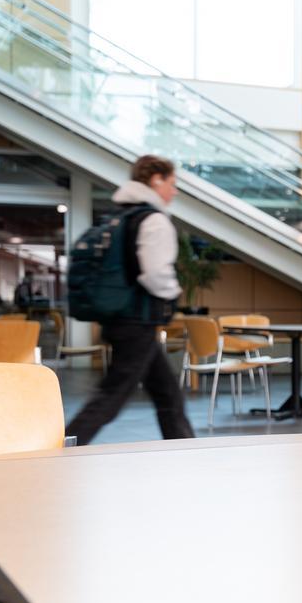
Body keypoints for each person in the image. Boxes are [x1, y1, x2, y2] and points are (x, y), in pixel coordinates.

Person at [66, 155, 195, 445]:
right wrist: (173, 295)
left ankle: (186, 452)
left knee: (167, 394)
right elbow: (155, 272)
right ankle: (59, 450)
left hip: (122, 319)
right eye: (172, 184)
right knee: (111, 396)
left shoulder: (120, 217)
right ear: (156, 180)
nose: (174, 192)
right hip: (137, 321)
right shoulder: (153, 220)